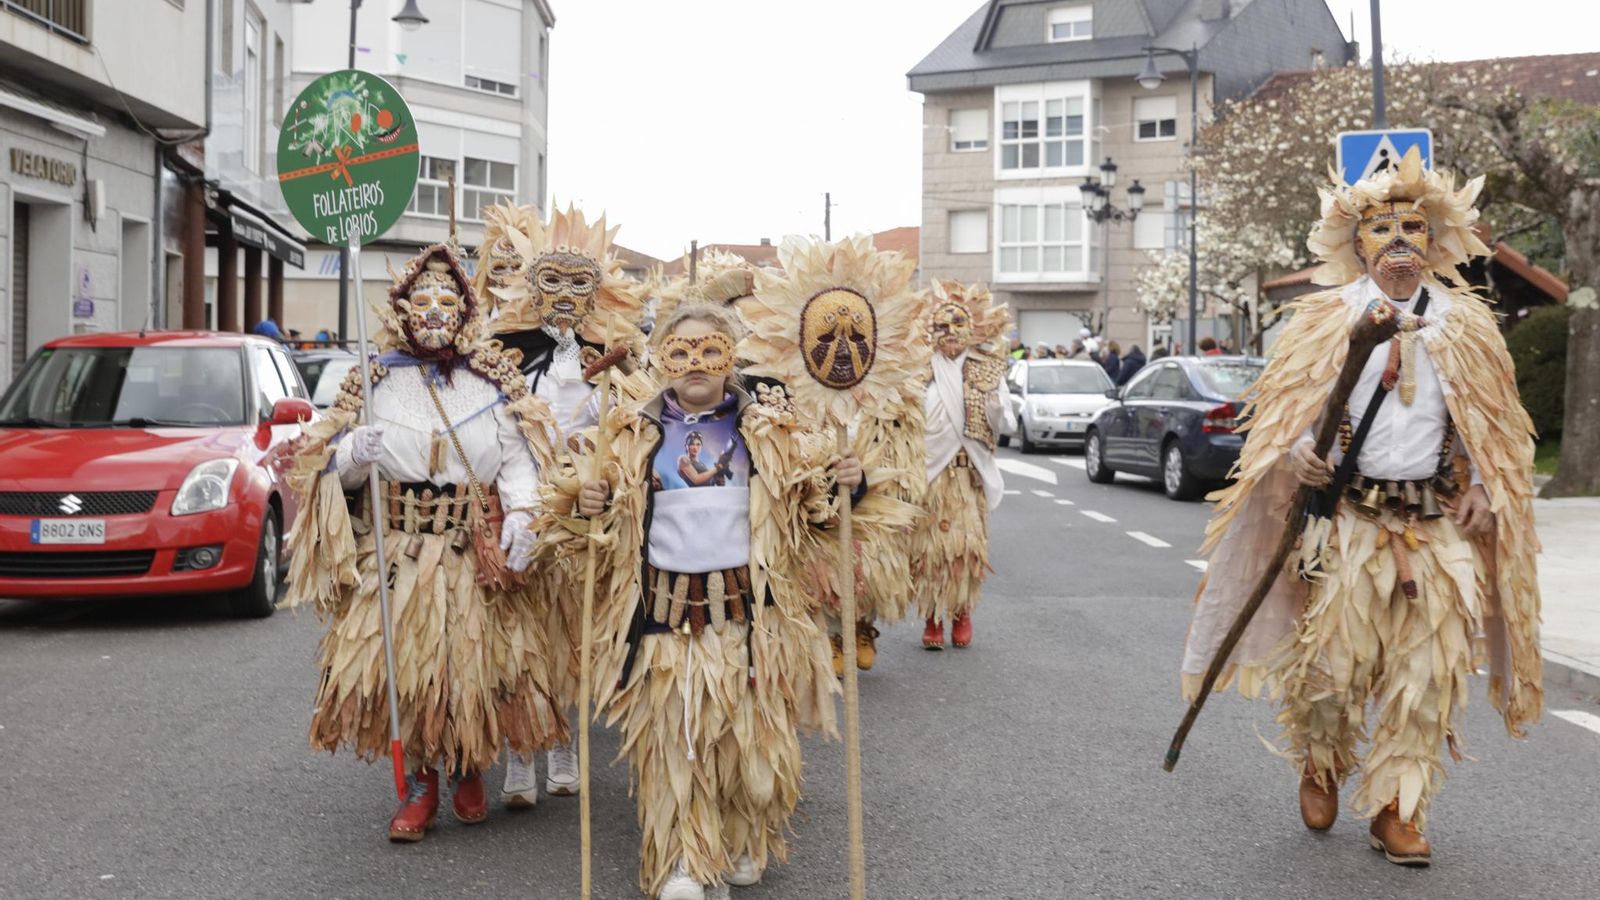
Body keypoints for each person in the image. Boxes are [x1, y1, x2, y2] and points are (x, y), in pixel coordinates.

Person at [1179, 148, 1540, 867]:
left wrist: (1478, 486)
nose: (1400, 246)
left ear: (1436, 245)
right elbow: (1285, 421)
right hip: (1347, 522)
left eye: (1414, 229)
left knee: (1428, 674)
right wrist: (1297, 457)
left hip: (1433, 524)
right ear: (1356, 244)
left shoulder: (1467, 329)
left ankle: (1396, 810)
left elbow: (1490, 427)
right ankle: (1322, 761)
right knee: (1334, 670)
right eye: (1383, 231)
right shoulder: (1320, 322)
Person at [542, 303, 858, 899]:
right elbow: (590, 523)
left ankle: (740, 840)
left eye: (709, 350)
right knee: (674, 743)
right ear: (661, 360)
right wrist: (587, 506)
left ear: (730, 358)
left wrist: (847, 481)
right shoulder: (629, 432)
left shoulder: (768, 432)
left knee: (744, 744)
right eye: (680, 352)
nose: (695, 364)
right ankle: (684, 859)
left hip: (748, 620)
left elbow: (816, 512)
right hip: (663, 618)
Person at [281, 242, 565, 842]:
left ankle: (466, 769)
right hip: (400, 550)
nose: (434, 310)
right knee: (405, 673)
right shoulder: (374, 377)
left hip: (469, 550)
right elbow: (330, 467)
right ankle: (419, 785)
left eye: (447, 300)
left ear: (465, 312)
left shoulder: (492, 380)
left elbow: (518, 459)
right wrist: (351, 456)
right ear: (402, 309)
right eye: (422, 299)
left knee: (469, 671)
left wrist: (521, 513)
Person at [483, 202, 650, 808]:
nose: (563, 296)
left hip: (583, 514)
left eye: (579, 283)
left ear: (597, 291)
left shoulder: (610, 355)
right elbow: (494, 433)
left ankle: (563, 746)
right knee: (519, 635)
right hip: (519, 507)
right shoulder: (504, 352)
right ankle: (521, 755)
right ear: (530, 286)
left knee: (571, 636)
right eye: (549, 281)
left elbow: (632, 423)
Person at [914, 281, 1014, 650]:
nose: (951, 334)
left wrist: (995, 407)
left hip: (967, 476)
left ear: (972, 330)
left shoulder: (987, 371)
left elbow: (1007, 422)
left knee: (965, 550)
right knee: (929, 551)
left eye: (958, 326)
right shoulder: (918, 373)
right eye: (943, 327)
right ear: (932, 332)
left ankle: (961, 614)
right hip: (931, 476)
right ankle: (931, 618)